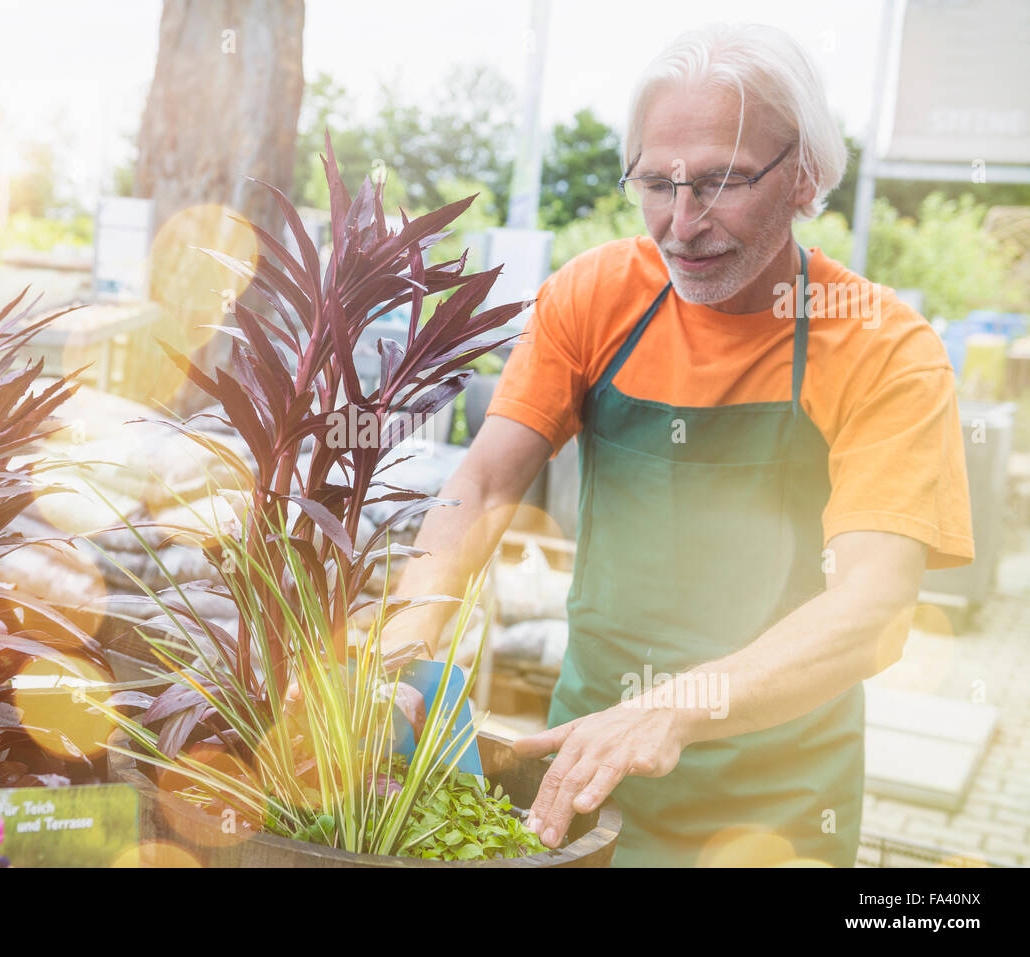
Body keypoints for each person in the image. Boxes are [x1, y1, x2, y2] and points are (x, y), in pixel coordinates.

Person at [379, 22, 974, 866]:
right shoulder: (594, 294)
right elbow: (479, 487)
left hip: (780, 809)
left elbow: (871, 610)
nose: (683, 223)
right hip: (582, 777)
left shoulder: (884, 347)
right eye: (658, 183)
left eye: (723, 181)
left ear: (804, 175)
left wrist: (676, 707)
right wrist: (408, 637)